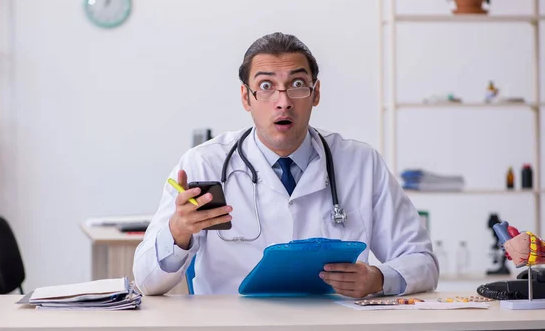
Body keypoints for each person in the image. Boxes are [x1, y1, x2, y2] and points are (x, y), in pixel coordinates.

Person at [133, 32, 439, 297]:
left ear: (315, 93)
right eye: (266, 86)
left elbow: (421, 260)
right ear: (246, 97)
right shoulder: (204, 163)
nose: (283, 101)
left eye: (297, 83)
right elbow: (147, 280)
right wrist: (178, 230)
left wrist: (379, 278)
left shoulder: (361, 163)